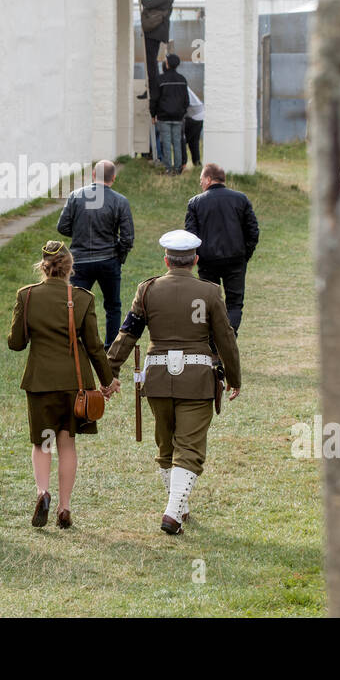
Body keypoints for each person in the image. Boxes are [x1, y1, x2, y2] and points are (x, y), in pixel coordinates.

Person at [106, 229, 241, 535]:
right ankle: (171, 512)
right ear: (194, 260)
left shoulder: (148, 289)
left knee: (167, 444)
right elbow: (226, 339)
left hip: (156, 378)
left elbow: (128, 333)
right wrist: (234, 377)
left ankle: (180, 505)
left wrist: (110, 371)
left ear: (166, 259)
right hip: (196, 380)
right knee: (189, 447)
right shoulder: (209, 292)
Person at [8, 241, 119, 529]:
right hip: (74, 382)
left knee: (43, 442)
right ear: (70, 267)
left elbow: (16, 343)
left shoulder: (27, 296)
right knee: (67, 443)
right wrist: (108, 381)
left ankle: (43, 492)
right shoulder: (82, 298)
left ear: (43, 267)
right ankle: (64, 507)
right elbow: (95, 346)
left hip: (40, 381)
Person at [56, 160, 135, 348]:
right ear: (113, 178)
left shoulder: (76, 196)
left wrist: (79, 233)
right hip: (108, 259)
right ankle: (111, 348)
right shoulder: (120, 201)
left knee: (75, 306)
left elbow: (62, 226)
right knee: (113, 306)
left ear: (93, 174)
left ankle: (75, 345)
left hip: (80, 260)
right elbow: (127, 237)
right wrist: (119, 257)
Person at [184, 164, 259, 333]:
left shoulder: (196, 203)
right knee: (234, 303)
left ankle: (213, 345)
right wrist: (245, 253)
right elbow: (252, 231)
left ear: (209, 179)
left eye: (202, 179)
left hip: (207, 261)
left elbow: (191, 236)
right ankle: (228, 340)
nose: (201, 183)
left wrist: (198, 256)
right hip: (235, 259)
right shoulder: (241, 199)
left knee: (209, 303)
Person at [140, 0, 180, 99]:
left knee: (151, 62)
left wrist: (143, 0)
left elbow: (152, 3)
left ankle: (153, 91)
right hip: (157, 30)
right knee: (151, 62)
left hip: (154, 30)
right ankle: (151, 90)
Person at [151, 53, 190, 174]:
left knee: (166, 142)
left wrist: (153, 114)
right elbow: (186, 100)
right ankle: (178, 168)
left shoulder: (160, 79)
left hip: (163, 116)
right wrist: (182, 112)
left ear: (167, 64)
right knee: (177, 142)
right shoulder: (182, 79)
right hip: (178, 117)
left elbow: (155, 99)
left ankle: (168, 168)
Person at [180, 84, 204, 173]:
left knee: (180, 139)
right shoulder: (182, 84)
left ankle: (183, 164)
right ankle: (197, 163)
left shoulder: (177, 87)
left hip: (193, 114)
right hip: (200, 113)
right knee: (194, 141)